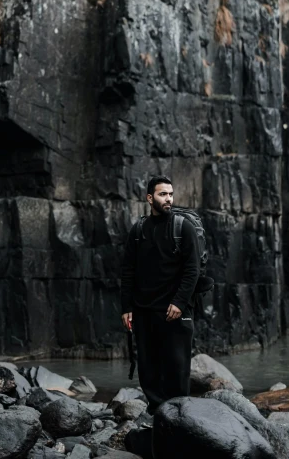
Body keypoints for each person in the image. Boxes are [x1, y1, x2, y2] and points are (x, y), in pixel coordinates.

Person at [120, 176, 200, 414]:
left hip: (174, 310)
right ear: (149, 198)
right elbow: (128, 271)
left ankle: (180, 415)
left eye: (171, 194)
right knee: (148, 367)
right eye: (163, 194)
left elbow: (192, 269)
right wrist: (127, 307)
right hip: (143, 310)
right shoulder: (138, 230)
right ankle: (157, 414)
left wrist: (179, 302)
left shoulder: (182, 227)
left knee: (177, 366)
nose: (168, 199)